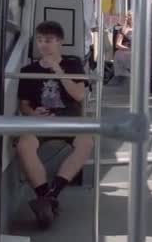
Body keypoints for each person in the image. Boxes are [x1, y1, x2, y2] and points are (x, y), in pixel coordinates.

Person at [16, 21, 94, 229]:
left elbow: (78, 95)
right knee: (24, 144)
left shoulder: (73, 64)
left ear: (60, 42)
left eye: (49, 40)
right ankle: (46, 198)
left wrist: (57, 70)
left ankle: (50, 197)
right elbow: (23, 105)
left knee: (86, 142)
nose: (44, 45)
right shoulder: (28, 70)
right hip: (41, 120)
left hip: (69, 119)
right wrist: (33, 113)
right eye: (40, 40)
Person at [110, 12, 133, 86]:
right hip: (124, 51)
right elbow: (117, 44)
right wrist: (129, 48)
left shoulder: (139, 29)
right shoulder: (123, 30)